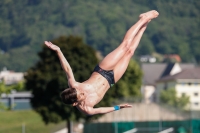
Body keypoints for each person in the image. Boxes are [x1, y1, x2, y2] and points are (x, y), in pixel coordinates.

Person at [44, 10, 159, 115]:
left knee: (125, 46)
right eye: (81, 95)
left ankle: (143, 19)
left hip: (102, 69)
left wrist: (58, 51)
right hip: (111, 79)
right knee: (130, 52)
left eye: (80, 91)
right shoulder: (87, 109)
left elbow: (67, 69)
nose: (82, 92)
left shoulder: (74, 86)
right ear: (75, 103)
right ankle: (145, 24)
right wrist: (118, 107)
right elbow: (100, 110)